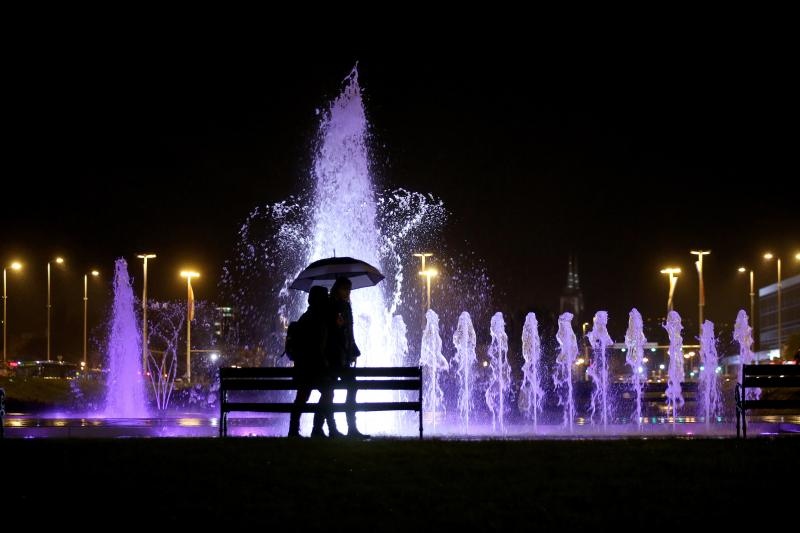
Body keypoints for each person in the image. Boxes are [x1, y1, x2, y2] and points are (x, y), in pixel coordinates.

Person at [288, 285, 336, 438]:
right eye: (325, 297)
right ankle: (316, 428)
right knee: (327, 393)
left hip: (304, 367)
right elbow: (317, 346)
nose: (328, 299)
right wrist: (324, 362)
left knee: (303, 397)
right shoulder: (317, 318)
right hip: (313, 367)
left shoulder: (308, 316)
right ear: (320, 299)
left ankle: (294, 430)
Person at [327, 276, 369, 438]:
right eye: (345, 289)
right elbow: (332, 333)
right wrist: (336, 325)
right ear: (337, 289)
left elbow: (349, 333)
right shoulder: (333, 306)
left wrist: (352, 350)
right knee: (331, 392)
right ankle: (335, 429)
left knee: (342, 389)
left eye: (349, 289)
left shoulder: (345, 306)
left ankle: (349, 428)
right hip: (335, 357)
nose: (348, 292)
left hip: (343, 356)